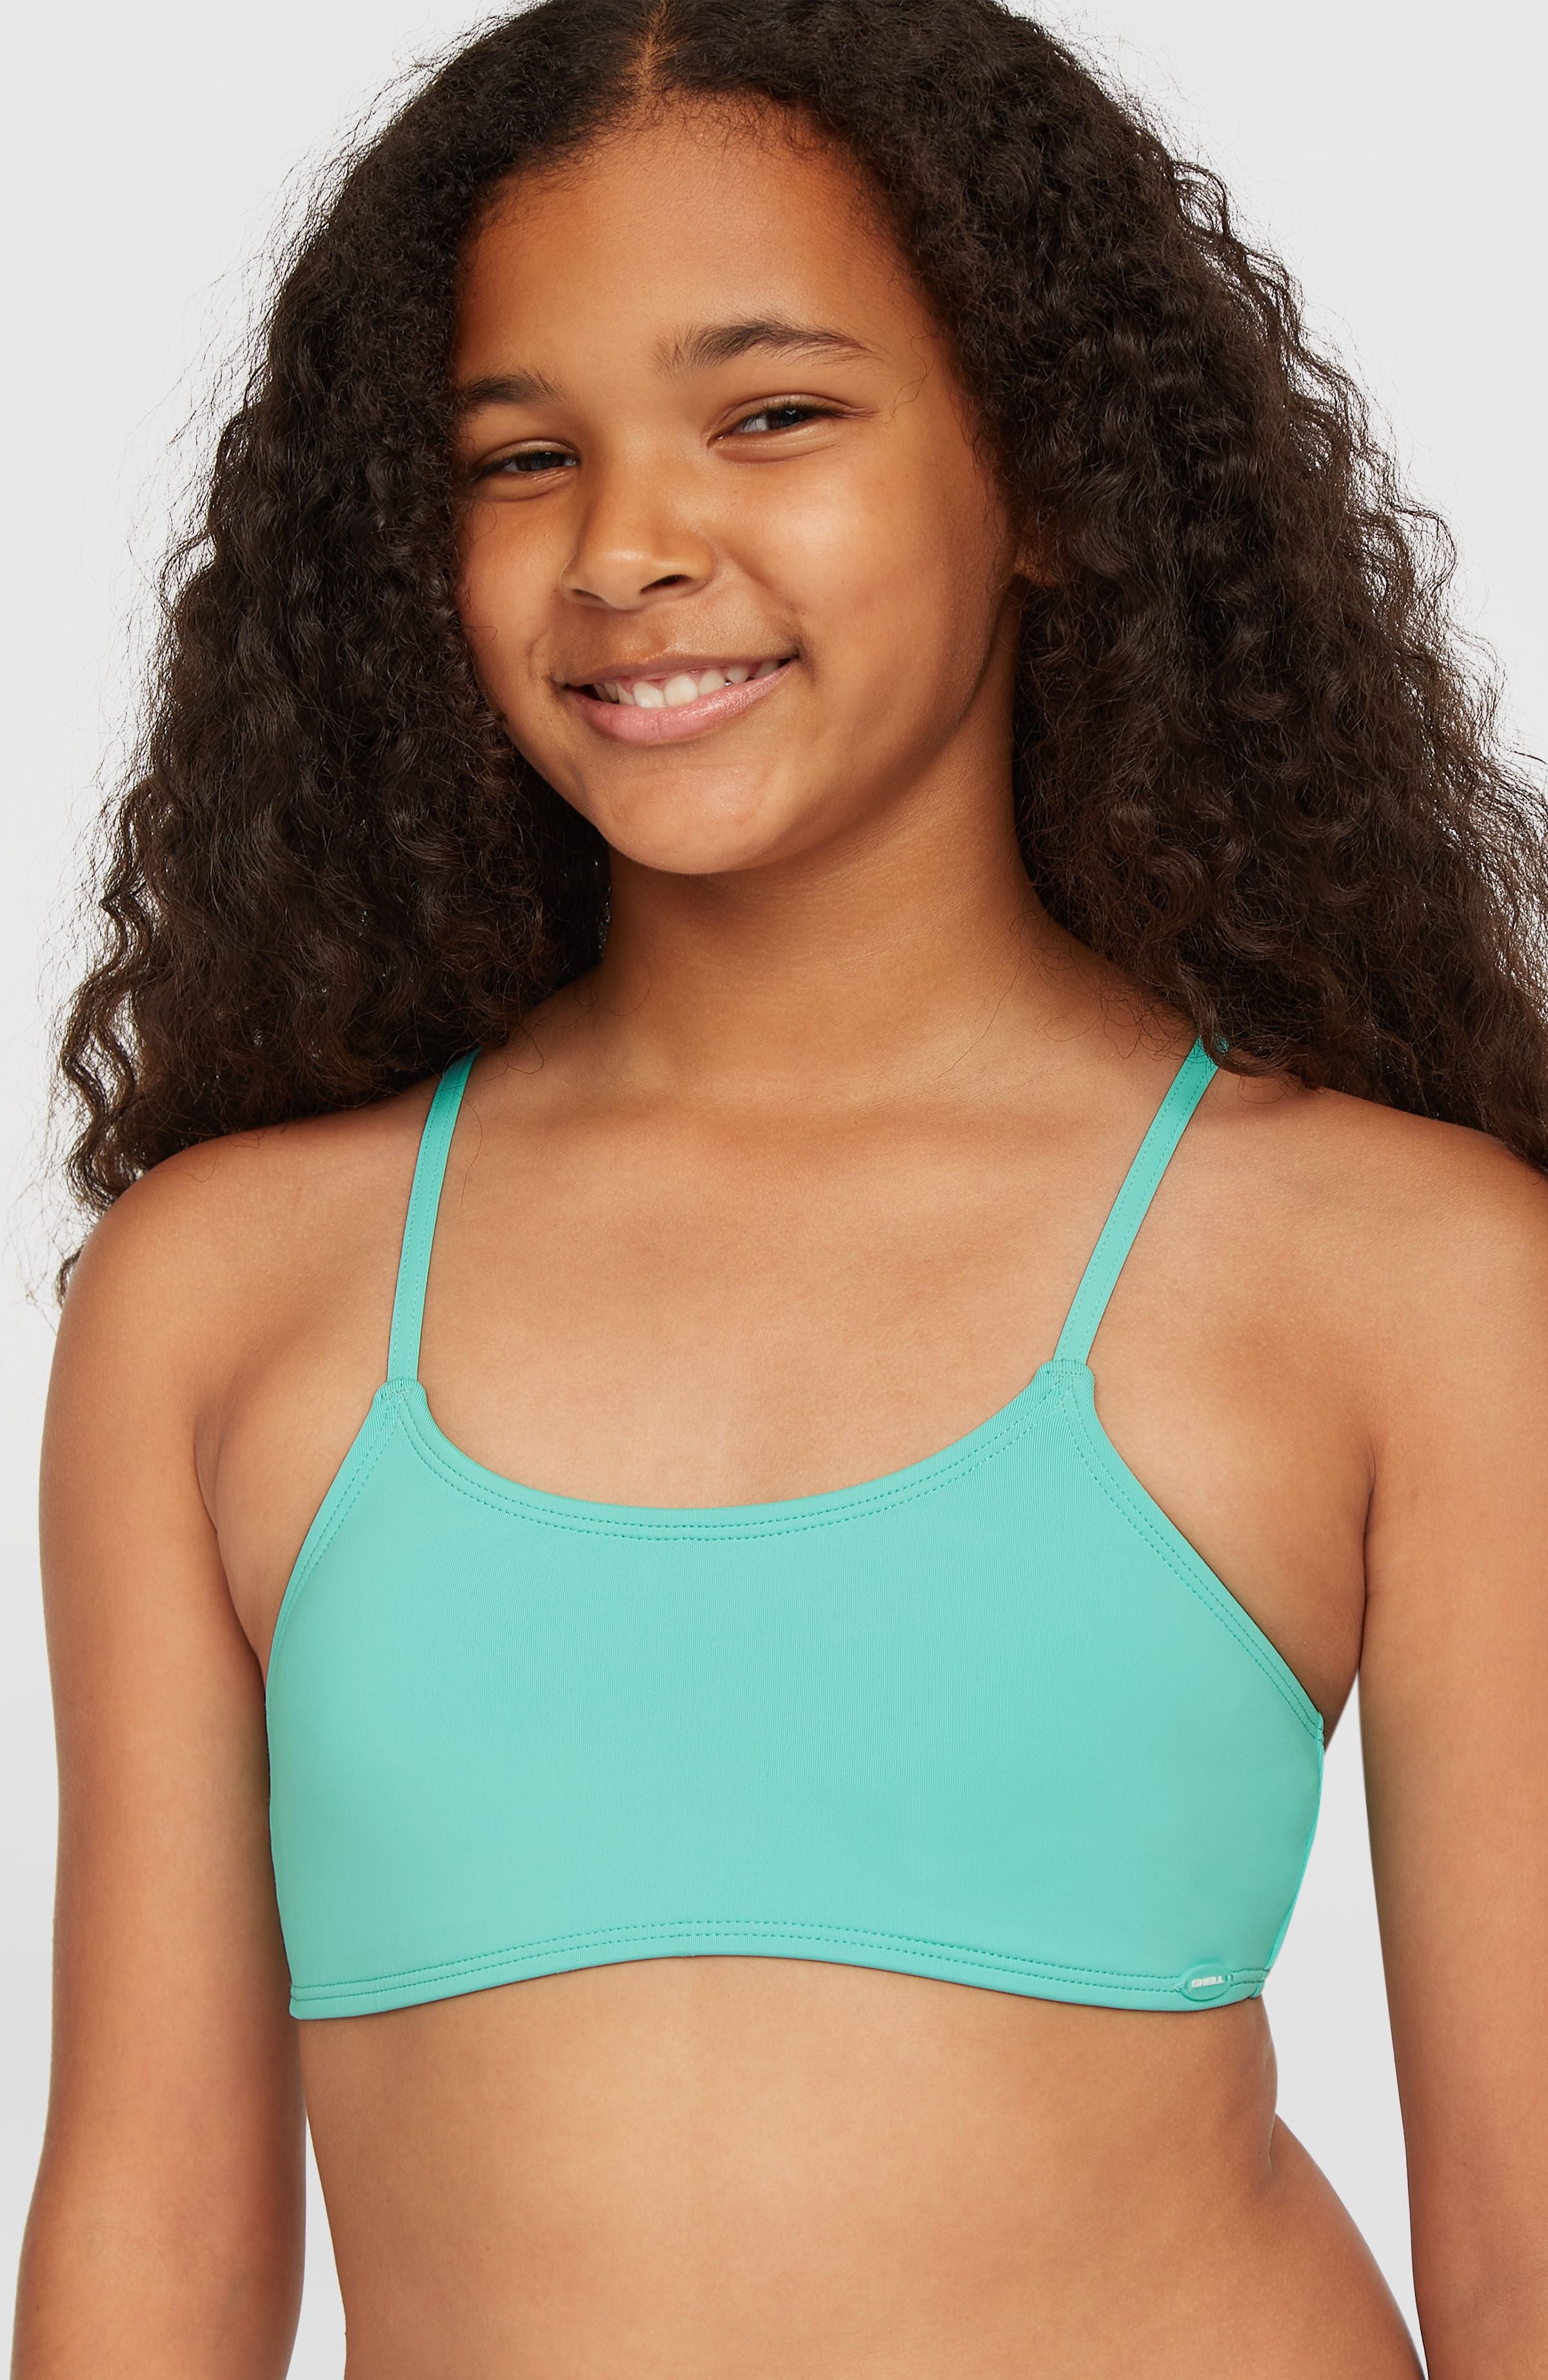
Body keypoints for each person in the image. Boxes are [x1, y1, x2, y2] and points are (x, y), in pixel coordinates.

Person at [14, 0, 1548, 2372]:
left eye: (773, 416)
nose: (631, 544)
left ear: (1050, 473)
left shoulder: (1411, 1274)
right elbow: (153, 2251)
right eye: (523, 458)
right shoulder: (223, 1298)